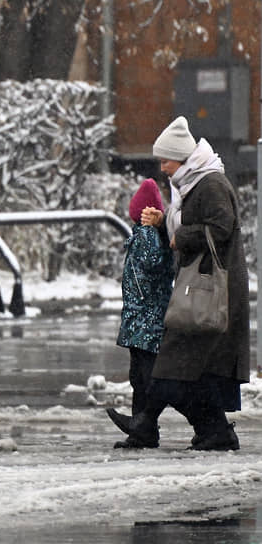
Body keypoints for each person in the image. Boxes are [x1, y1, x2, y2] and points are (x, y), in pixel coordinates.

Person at [107, 116, 250, 451]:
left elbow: (221, 227)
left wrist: (180, 236)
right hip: (200, 287)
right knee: (189, 370)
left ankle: (150, 424)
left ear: (181, 158)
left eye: (165, 160)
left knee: (180, 366)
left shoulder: (210, 183)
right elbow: (191, 226)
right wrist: (165, 225)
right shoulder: (193, 183)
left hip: (212, 291)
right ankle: (209, 430)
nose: (163, 167)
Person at [111, 178, 174, 448]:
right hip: (143, 319)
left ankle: (143, 428)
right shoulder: (149, 235)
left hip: (145, 322)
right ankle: (141, 428)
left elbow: (151, 263)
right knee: (140, 377)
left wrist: (146, 232)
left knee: (145, 378)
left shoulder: (148, 236)